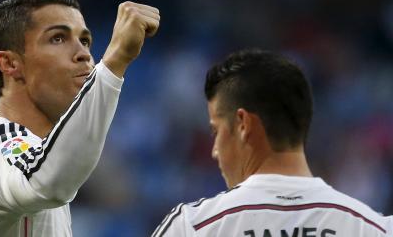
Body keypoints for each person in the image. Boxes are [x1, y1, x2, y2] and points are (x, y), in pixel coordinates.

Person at [0, 0, 159, 236]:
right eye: (57, 38)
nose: (84, 54)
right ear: (10, 64)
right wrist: (115, 60)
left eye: (85, 41)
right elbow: (47, 180)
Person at [152, 49, 392, 237]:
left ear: (243, 124)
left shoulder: (194, 226)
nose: (215, 151)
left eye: (216, 131)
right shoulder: (375, 229)